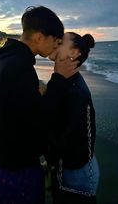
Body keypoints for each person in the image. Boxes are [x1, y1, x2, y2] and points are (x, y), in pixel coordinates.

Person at [0, 6, 79, 204]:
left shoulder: (6, 59)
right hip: (16, 168)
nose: (56, 46)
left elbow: (17, 112)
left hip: (1, 160)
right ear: (39, 37)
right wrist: (59, 78)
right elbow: (40, 120)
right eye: (55, 40)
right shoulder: (19, 67)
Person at [48, 32, 100, 204]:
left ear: (74, 53)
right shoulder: (63, 82)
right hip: (71, 168)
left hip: (77, 173)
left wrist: (52, 161)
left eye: (60, 41)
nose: (55, 42)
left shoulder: (75, 92)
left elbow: (72, 142)